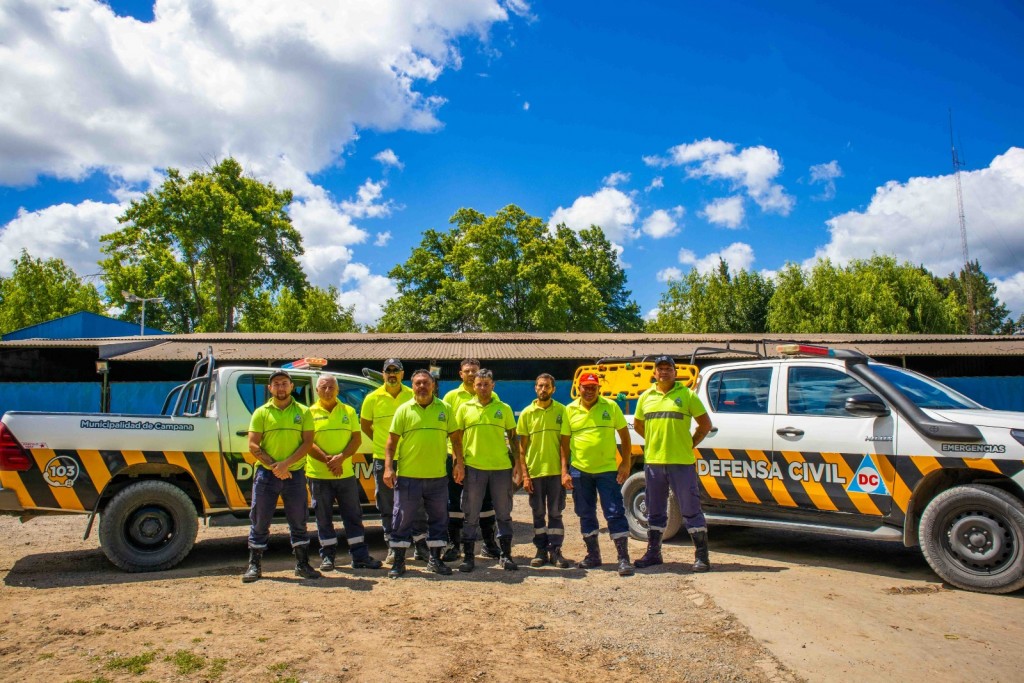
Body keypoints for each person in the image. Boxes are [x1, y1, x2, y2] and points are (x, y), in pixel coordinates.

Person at [633, 356, 714, 572]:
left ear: (675, 372)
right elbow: (639, 425)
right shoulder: (645, 397)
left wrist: (690, 444)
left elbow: (705, 424)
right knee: (655, 510)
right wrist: (653, 441)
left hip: (681, 462)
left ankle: (701, 556)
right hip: (654, 462)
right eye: (660, 369)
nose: (664, 372)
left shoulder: (687, 395)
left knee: (690, 508)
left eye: (668, 368)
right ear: (654, 373)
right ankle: (653, 553)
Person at [242, 369, 319, 582]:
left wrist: (286, 465)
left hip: (294, 475)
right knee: (260, 519)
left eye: (284, 383)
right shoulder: (261, 412)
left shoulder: (303, 412)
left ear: (292, 386)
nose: (280, 387)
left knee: (299, 520)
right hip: (267, 475)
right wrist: (276, 466)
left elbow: (307, 443)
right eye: (276, 384)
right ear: (270, 388)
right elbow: (253, 444)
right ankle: (254, 566)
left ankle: (302, 565)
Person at [383, 369, 461, 578]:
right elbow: (391, 443)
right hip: (409, 477)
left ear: (433, 385)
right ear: (413, 385)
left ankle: (435, 560)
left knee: (438, 519)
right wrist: (389, 467)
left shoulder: (445, 409)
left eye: (426, 383)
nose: (422, 387)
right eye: (417, 383)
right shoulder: (403, 410)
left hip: (437, 478)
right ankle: (399, 563)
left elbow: (455, 439)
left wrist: (458, 463)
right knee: (402, 519)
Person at [560, 372, 635, 577]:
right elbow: (564, 444)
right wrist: (564, 471)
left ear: (598, 388)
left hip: (607, 470)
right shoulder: (569, 410)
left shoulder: (610, 407)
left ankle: (623, 558)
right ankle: (593, 555)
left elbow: (625, 436)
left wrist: (626, 463)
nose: (589, 391)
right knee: (585, 512)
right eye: (586, 387)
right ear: (579, 388)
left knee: (614, 511)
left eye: (593, 387)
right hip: (580, 471)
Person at [307, 374, 383, 571]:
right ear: (317, 391)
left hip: (345, 474)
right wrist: (329, 461)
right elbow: (308, 443)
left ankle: (359, 556)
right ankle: (328, 557)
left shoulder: (348, 411)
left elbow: (356, 440)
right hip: (318, 474)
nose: (327, 391)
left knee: (353, 515)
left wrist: (340, 459)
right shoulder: (308, 413)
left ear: (338, 390)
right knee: (323, 518)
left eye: (331, 387)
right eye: (323, 387)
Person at [360, 359, 429, 564]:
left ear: (402, 374)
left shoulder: (413, 395)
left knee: (417, 503)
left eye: (395, 371)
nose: (392, 374)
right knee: (387, 503)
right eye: (388, 370)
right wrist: (383, 445)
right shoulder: (372, 398)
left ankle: (420, 544)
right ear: (382, 374)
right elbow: (365, 426)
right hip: (384, 459)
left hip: (410, 458)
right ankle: (392, 545)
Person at [452, 368, 519, 572]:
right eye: (479, 384)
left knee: (503, 513)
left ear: (493, 385)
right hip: (474, 469)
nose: (482, 388)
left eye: (486, 384)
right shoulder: (464, 408)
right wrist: (459, 464)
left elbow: (514, 438)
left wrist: (518, 464)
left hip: (501, 468)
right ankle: (469, 557)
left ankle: (506, 555)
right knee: (470, 514)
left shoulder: (504, 408)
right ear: (474, 386)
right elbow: (456, 440)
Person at [441, 359, 502, 562]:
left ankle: (489, 543)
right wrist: (457, 460)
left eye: (473, 371)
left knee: (486, 501)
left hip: (481, 460)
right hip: (456, 457)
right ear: (460, 374)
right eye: (466, 371)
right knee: (454, 501)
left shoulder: (492, 397)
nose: (470, 374)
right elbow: (450, 430)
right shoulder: (451, 397)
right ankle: (453, 545)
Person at [516, 373, 572, 569]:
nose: (543, 389)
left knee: (556, 513)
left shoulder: (562, 411)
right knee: (538, 513)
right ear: (535, 388)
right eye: (539, 386)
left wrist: (564, 472)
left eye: (547, 386)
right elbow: (522, 449)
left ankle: (555, 551)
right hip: (535, 473)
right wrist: (525, 475)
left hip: (556, 473)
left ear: (553, 389)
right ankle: (540, 550)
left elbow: (565, 446)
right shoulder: (526, 414)